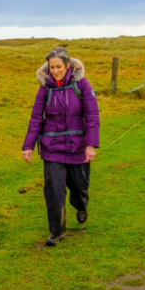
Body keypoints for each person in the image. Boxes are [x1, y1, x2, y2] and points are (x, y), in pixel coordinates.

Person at [22, 47, 100, 246]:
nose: (55, 71)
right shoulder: (45, 88)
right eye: (51, 68)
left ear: (67, 66)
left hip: (78, 147)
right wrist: (28, 145)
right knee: (54, 192)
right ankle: (56, 232)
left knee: (79, 188)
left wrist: (91, 145)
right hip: (52, 148)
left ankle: (81, 206)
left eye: (58, 67)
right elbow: (36, 118)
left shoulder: (81, 84)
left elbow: (92, 116)